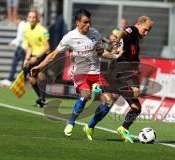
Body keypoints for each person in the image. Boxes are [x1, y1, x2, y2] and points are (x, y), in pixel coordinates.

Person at [30, 9, 115, 138]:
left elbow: (100, 52)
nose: (88, 25)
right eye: (85, 22)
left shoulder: (95, 34)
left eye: (89, 22)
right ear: (77, 23)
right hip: (80, 73)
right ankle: (71, 122)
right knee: (86, 95)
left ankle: (90, 127)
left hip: (96, 73)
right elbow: (53, 55)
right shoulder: (69, 37)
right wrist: (39, 67)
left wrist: (115, 56)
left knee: (109, 102)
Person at [84, 16, 153, 143]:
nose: (146, 33)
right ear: (138, 24)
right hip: (121, 69)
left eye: (149, 31)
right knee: (136, 92)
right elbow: (123, 32)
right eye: (145, 29)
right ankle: (101, 88)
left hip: (126, 70)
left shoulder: (137, 38)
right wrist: (118, 37)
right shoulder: (133, 30)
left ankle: (99, 126)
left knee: (135, 107)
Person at [23, 10, 50, 107]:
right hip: (33, 56)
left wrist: (37, 57)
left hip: (42, 56)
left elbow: (47, 47)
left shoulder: (43, 30)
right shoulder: (26, 30)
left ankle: (43, 98)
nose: (31, 19)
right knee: (31, 80)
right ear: (27, 18)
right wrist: (27, 58)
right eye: (30, 17)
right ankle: (42, 98)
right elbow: (29, 46)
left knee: (40, 76)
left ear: (37, 18)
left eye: (34, 17)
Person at [0, 16, 27, 87]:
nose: (14, 23)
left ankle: (12, 80)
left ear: (18, 19)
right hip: (22, 47)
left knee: (18, 64)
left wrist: (12, 43)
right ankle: (18, 80)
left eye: (14, 21)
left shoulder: (21, 25)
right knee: (21, 65)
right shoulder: (23, 25)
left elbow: (20, 38)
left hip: (21, 48)